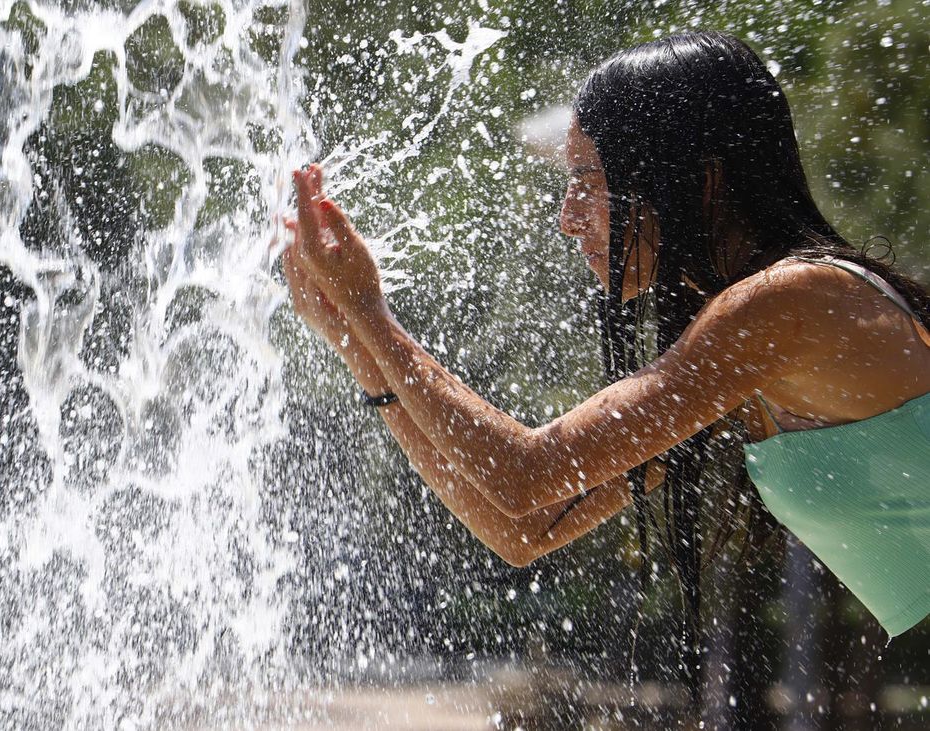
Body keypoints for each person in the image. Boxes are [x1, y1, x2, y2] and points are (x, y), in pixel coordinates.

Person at [281, 29, 930, 669]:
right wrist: (355, 339)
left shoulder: (788, 302)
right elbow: (523, 529)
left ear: (698, 178)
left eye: (589, 179)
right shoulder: (750, 343)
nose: (568, 216)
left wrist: (372, 311)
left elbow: (523, 473)